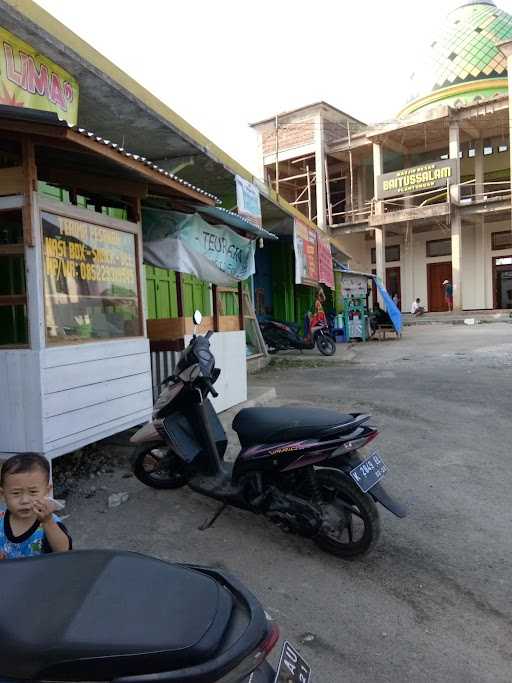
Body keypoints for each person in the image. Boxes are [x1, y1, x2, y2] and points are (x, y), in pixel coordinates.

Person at [0, 453, 72, 560]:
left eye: (33, 492)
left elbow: (63, 551)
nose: (24, 500)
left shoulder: (50, 523)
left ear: (47, 491)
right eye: (16, 493)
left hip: (39, 575)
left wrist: (48, 522)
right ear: (2, 494)